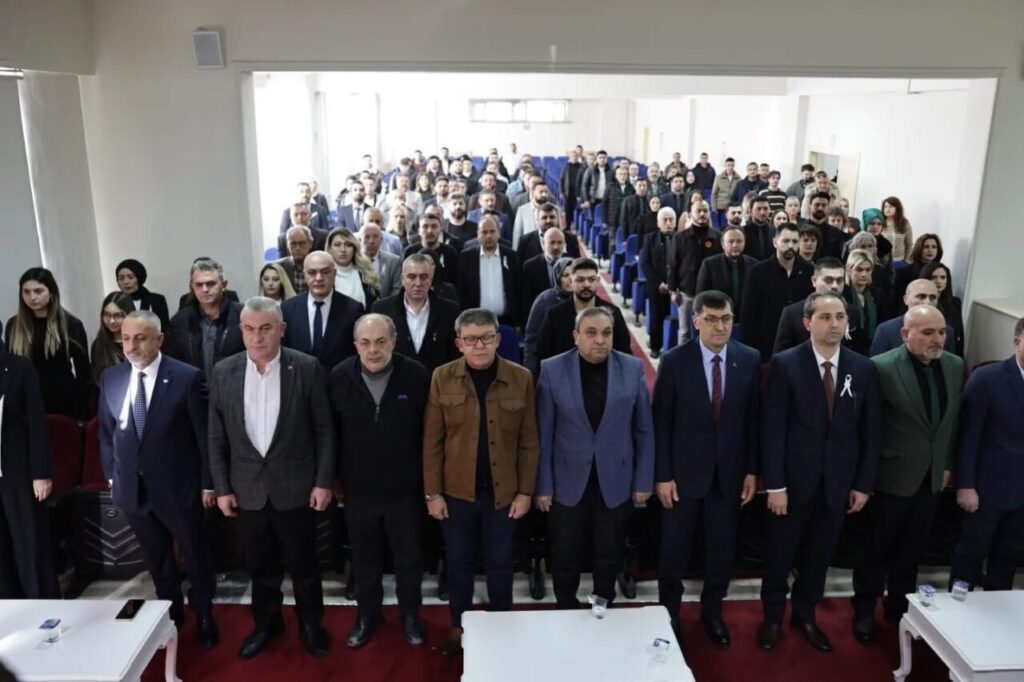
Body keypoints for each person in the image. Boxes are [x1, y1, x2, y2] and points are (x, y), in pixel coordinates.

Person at [208, 297, 336, 659]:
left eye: (265, 328)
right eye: (249, 329)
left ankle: (311, 624)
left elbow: (325, 430)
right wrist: (222, 488)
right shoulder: (224, 371)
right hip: (247, 490)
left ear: (281, 329)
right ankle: (267, 624)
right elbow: (216, 436)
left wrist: (323, 481)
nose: (257, 337)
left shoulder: (306, 367)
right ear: (241, 331)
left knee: (304, 566)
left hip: (296, 488)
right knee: (260, 566)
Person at [758, 292, 880, 653]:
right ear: (807, 323)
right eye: (825, 317)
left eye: (840, 317)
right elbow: (773, 430)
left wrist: (863, 484)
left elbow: (870, 432)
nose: (834, 324)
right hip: (792, 483)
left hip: (837, 484)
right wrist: (775, 485)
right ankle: (772, 617)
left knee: (819, 557)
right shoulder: (785, 365)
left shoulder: (863, 368)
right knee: (780, 556)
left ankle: (805, 615)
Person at [97, 310, 220, 647]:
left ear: (159, 339)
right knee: (157, 560)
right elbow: (107, 434)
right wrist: (112, 478)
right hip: (133, 490)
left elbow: (204, 437)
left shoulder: (186, 377)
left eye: (140, 338)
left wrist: (208, 483)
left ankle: (204, 613)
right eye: (126, 339)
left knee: (195, 555)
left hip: (179, 489)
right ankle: (170, 613)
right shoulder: (111, 378)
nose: (132, 346)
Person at [423, 308, 540, 658]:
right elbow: (432, 441)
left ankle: (502, 628)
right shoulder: (442, 377)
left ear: (498, 340)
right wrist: (432, 493)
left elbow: (529, 441)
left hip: (504, 495)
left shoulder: (521, 378)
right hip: (456, 494)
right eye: (471, 339)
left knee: (501, 564)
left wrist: (525, 491)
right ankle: (459, 629)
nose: (479, 345)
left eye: (486, 338)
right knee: (458, 564)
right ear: (459, 343)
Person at [654, 291, 761, 648]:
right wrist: (663, 475)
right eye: (712, 319)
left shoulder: (748, 359)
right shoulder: (674, 361)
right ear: (696, 320)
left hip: (729, 475)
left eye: (726, 319)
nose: (720, 326)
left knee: (721, 550)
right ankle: (668, 613)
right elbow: (661, 424)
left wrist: (752, 470)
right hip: (682, 476)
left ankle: (712, 612)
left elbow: (753, 421)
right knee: (674, 551)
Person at [851, 306, 963, 643]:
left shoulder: (954, 366)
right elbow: (867, 428)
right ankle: (864, 607)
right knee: (875, 549)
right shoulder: (880, 367)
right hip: (890, 476)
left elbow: (950, 423)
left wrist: (946, 463)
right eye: (927, 332)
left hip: (931, 478)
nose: (937, 339)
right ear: (905, 334)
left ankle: (900, 605)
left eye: (941, 332)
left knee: (913, 549)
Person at [535, 307, 654, 609]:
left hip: (615, 479)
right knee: (565, 553)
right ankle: (565, 606)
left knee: (608, 552)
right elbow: (543, 434)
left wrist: (643, 480)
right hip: (566, 481)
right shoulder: (551, 370)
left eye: (606, 333)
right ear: (575, 336)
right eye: (591, 333)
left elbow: (643, 429)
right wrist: (543, 486)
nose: (600, 340)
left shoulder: (632, 368)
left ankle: (603, 605)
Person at [330, 314, 430, 649]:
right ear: (355, 344)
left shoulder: (416, 375)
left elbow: (430, 433)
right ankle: (367, 616)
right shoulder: (339, 376)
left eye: (380, 341)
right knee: (364, 560)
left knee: (408, 559)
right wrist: (333, 478)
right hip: (358, 491)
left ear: (394, 341)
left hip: (405, 490)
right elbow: (330, 433)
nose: (373, 350)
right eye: (365, 342)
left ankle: (411, 615)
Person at [949, 317, 1024, 592]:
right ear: (1017, 342)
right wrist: (966, 485)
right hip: (985, 490)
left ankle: (994, 612)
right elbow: (968, 437)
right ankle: (957, 612)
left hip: (1021, 496)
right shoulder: (988, 379)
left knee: (1007, 560)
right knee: (970, 555)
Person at [0, 322, 58, 599]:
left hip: (17, 469)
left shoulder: (19, 367)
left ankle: (42, 603)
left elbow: (37, 423)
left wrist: (41, 473)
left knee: (30, 542)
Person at [5, 267, 90, 418]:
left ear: (51, 292)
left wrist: (83, 414)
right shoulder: (14, 326)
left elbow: (84, 373)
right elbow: (10, 369)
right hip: (27, 404)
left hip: (64, 403)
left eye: (38, 291)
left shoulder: (71, 325)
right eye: (26, 292)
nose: (32, 297)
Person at [371, 254, 460, 375]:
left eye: (424, 277)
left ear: (431, 279)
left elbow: (455, 356)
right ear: (402, 279)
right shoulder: (382, 309)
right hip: (395, 381)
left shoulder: (450, 311)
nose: (418, 283)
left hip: (437, 382)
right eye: (412, 277)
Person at [739, 224, 815, 362]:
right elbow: (748, 316)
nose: (791, 246)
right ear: (775, 242)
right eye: (786, 241)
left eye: (795, 241)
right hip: (766, 345)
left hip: (800, 345)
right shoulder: (756, 272)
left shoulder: (809, 271)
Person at [536, 258, 631, 366]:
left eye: (591, 279)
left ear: (597, 281)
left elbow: (624, 355)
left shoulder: (613, 313)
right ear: (571, 282)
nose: (586, 284)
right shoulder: (554, 316)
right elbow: (543, 356)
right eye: (580, 280)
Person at [281, 251, 364, 371]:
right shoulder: (287, 309)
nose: (319, 278)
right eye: (312, 272)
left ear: (334, 273)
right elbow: (285, 353)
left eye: (325, 272)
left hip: (339, 379)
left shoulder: (353, 309)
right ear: (304, 275)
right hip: (300, 379)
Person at [165, 258, 244, 380]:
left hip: (234, 387)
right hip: (194, 389)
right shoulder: (179, 321)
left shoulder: (242, 316)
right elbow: (173, 361)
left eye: (211, 283)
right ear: (192, 287)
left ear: (224, 285)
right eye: (199, 285)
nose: (205, 289)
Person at [773, 257, 853, 355]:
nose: (835, 286)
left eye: (839, 280)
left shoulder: (852, 312)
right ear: (814, 281)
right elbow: (780, 356)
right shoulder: (792, 313)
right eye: (828, 280)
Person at [669, 200, 721, 345]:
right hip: (687, 292)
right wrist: (673, 290)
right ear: (691, 214)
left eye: (705, 211)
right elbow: (672, 265)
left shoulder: (718, 237)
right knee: (684, 331)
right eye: (698, 211)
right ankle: (683, 359)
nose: (702, 214)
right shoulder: (680, 237)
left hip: (710, 293)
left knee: (708, 331)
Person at [456, 215, 520, 325]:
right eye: (484, 232)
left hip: (506, 321)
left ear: (498, 233)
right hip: (475, 322)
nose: (489, 236)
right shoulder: (466, 258)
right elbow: (461, 291)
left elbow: (518, 289)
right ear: (478, 234)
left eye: (492, 231)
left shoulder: (511, 256)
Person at [870, 279, 956, 356]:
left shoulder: (947, 332)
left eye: (932, 297)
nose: (927, 302)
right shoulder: (886, 330)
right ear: (906, 299)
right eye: (921, 296)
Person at [523, 258, 574, 375]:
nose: (571, 279)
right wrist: (530, 367)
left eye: (573, 274)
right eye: (565, 275)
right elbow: (532, 335)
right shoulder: (545, 299)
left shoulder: (584, 300)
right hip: (550, 361)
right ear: (557, 277)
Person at [695, 226, 758, 317]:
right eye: (731, 241)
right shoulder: (709, 264)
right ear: (722, 244)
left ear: (744, 243)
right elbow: (701, 296)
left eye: (739, 241)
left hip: (747, 315)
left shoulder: (754, 264)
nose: (735, 245)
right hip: (718, 315)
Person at [640, 207, 677, 359]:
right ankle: (655, 346)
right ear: (658, 222)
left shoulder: (680, 238)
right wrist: (659, 283)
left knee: (673, 318)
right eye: (665, 220)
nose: (668, 223)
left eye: (671, 220)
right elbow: (645, 263)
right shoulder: (650, 239)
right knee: (656, 317)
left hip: (675, 287)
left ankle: (672, 346)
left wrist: (673, 284)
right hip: (656, 286)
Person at [843, 249, 892, 355]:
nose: (864, 274)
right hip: (849, 348)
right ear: (849, 270)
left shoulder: (878, 294)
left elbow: (883, 322)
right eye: (859, 270)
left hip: (873, 347)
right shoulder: (843, 295)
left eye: (868, 270)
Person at [326, 227, 379, 309]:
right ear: (329, 249)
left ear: (354, 248)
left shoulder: (366, 273)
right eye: (337, 245)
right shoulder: (324, 276)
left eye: (348, 245)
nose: (343, 249)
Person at [920, 261, 965, 357]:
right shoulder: (918, 302)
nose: (939, 281)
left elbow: (959, 335)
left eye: (943, 277)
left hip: (948, 352)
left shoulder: (955, 303)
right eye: (934, 277)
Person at [403, 212, 460, 286]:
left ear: (440, 229)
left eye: (434, 226)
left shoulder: (450, 252)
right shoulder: (410, 252)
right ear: (419, 231)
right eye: (425, 226)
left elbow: (457, 281)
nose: (430, 230)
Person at [91, 292, 134, 384]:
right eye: (107, 314)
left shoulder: (139, 342)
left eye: (118, 315)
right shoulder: (98, 345)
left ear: (129, 315)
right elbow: (97, 379)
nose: (112, 321)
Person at [893, 233, 943, 314]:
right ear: (919, 248)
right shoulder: (905, 272)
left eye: (934, 247)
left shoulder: (941, 271)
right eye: (926, 247)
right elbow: (896, 299)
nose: (930, 250)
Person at [115, 259, 170, 331]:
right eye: (121, 278)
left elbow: (164, 329)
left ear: (139, 278)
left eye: (131, 277)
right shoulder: (114, 302)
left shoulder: (156, 300)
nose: (126, 282)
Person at [358, 222, 402, 299]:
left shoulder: (393, 262)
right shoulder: (353, 261)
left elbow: (396, 291)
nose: (371, 241)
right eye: (367, 237)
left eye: (375, 236)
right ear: (360, 240)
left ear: (381, 239)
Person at [276, 225, 313, 295]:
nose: (298, 248)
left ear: (310, 243)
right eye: (293, 244)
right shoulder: (279, 267)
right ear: (287, 245)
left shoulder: (320, 266)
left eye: (302, 243)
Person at [881, 196, 913, 265]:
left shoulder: (904, 223)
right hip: (883, 262)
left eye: (891, 207)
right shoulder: (880, 223)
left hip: (900, 262)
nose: (887, 209)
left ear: (897, 208)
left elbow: (909, 245)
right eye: (885, 207)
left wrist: (907, 261)